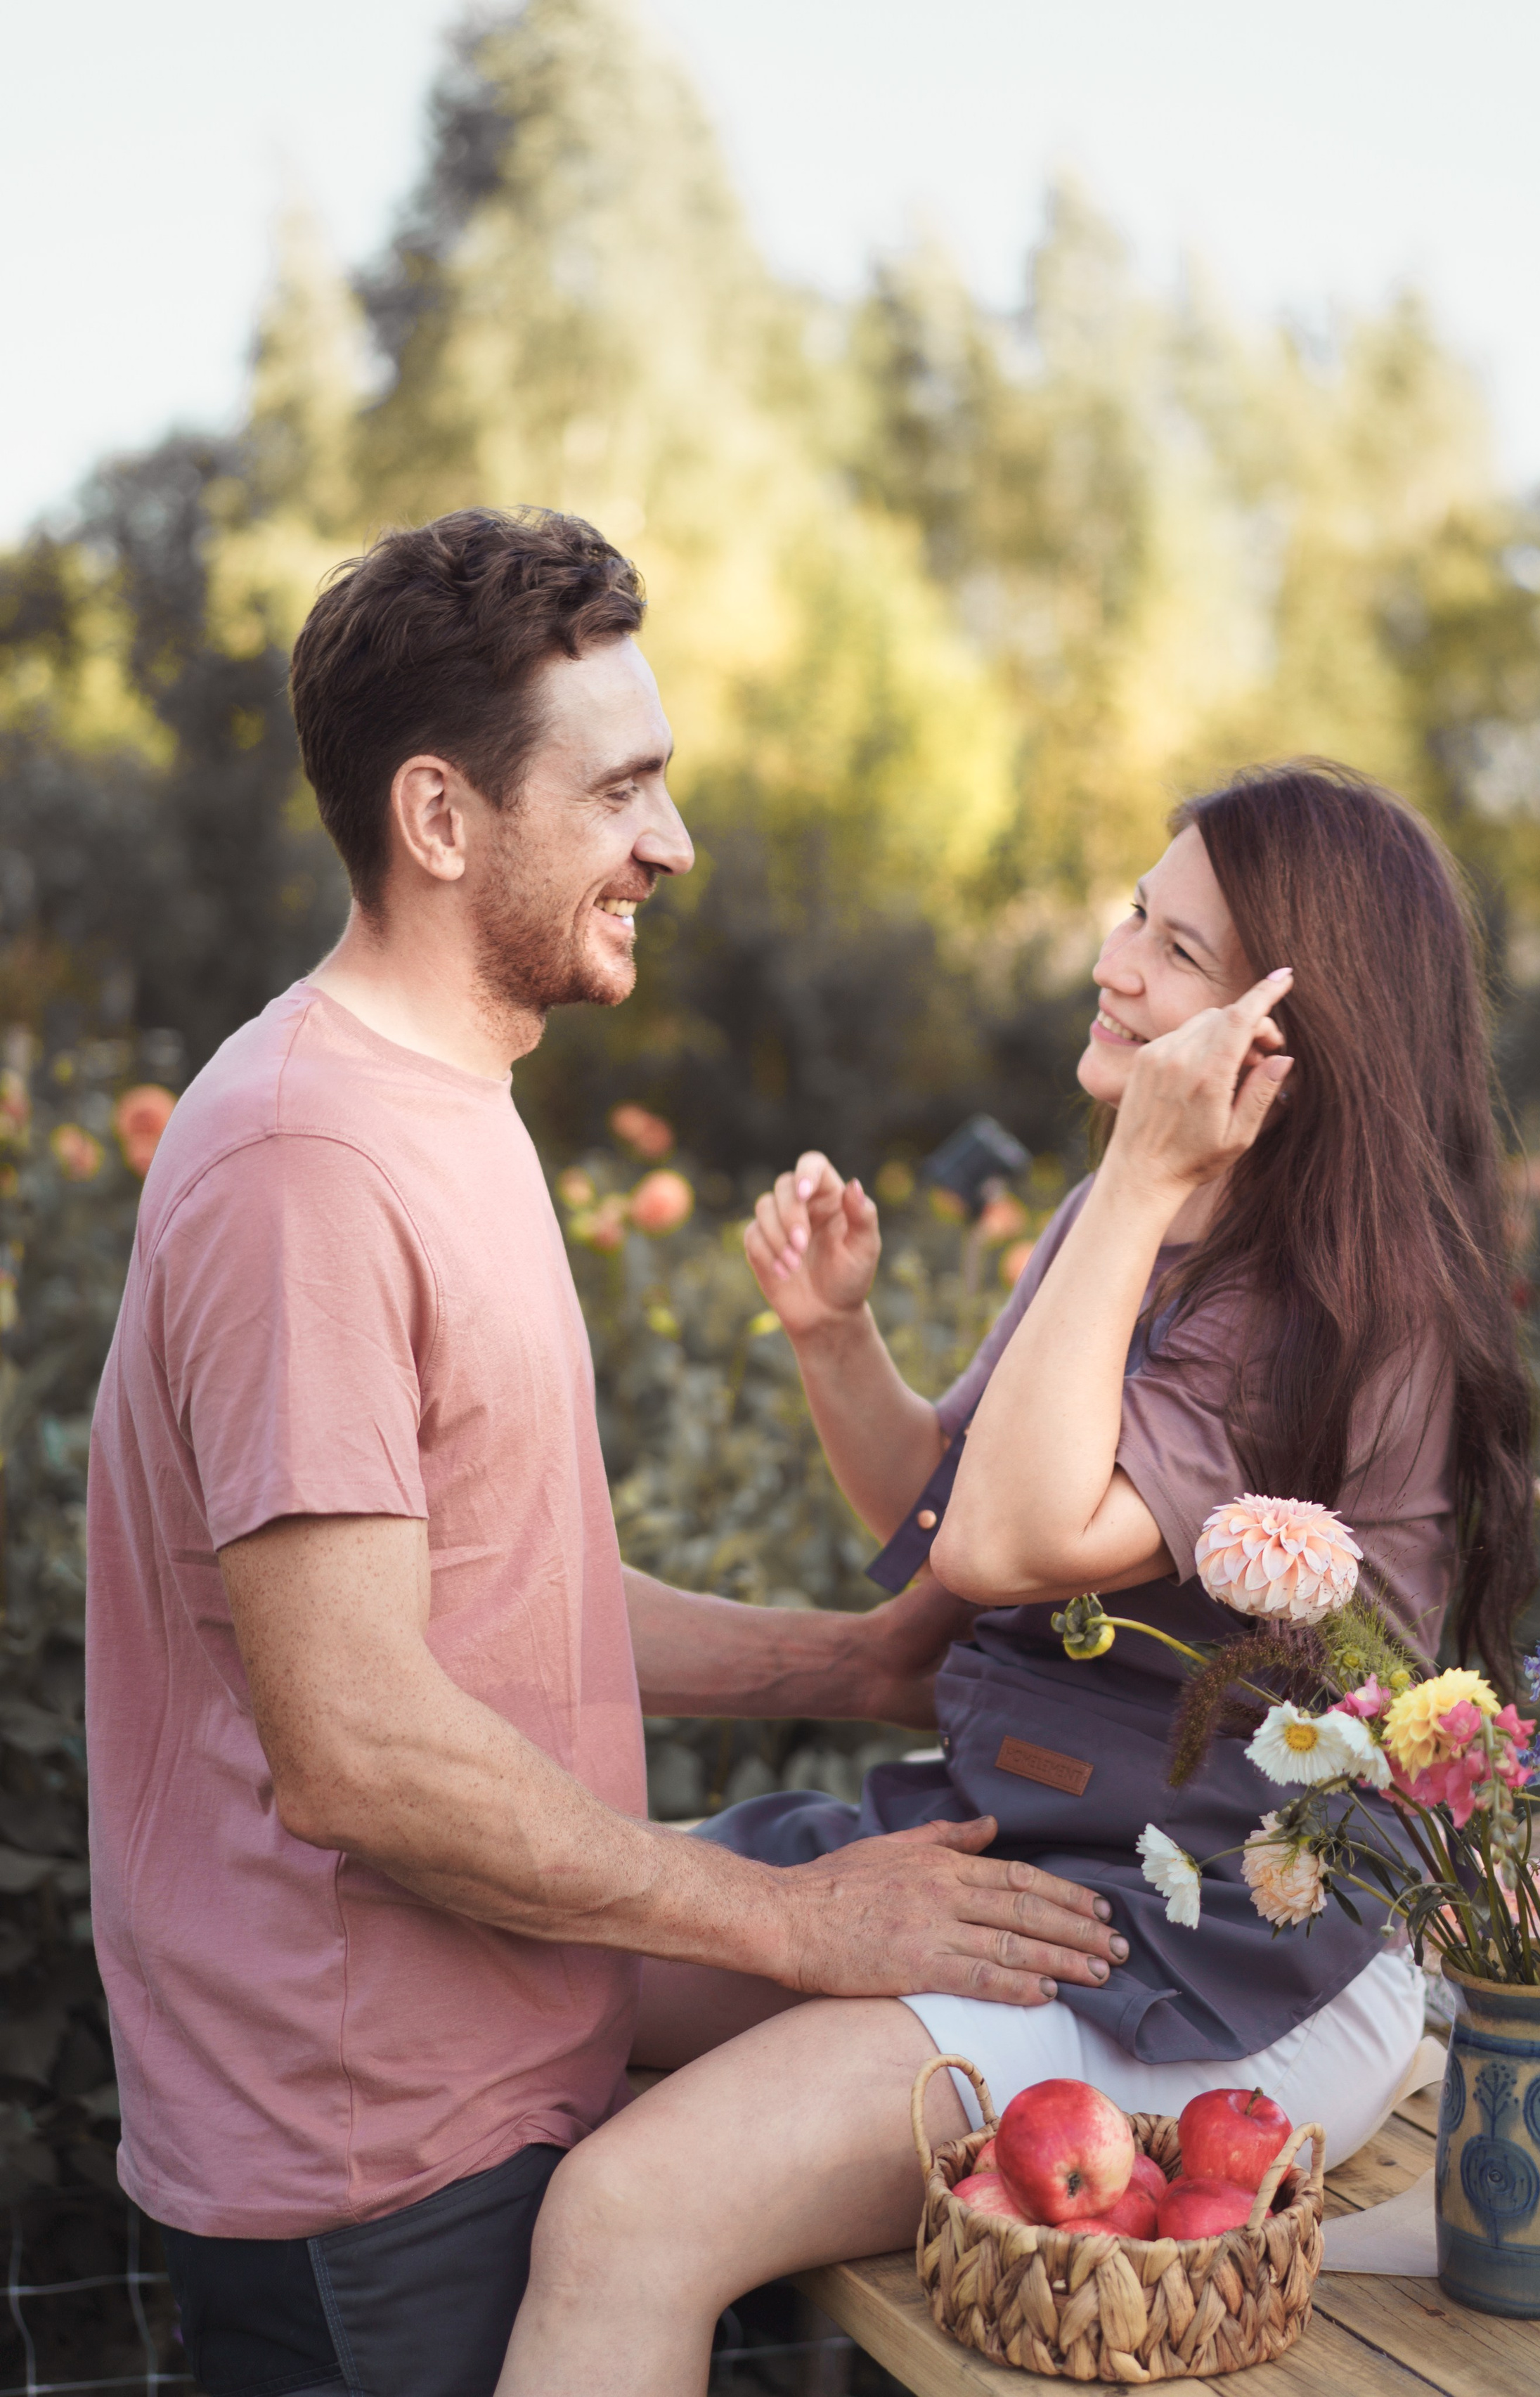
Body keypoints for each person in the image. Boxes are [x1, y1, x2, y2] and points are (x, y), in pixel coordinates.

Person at [83, 508, 1124, 2397]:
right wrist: (798, 1921)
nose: (675, 842)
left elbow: (495, 1590)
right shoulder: (307, 1164)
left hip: (485, 2078)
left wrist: (849, 1662)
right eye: (623, 788)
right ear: (437, 820)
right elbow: (359, 1745)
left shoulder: (450, 1103)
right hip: (365, 2160)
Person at [496, 762, 1538, 2396]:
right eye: (1135, 911)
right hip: (1030, 1851)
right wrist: (839, 1341)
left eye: (1177, 951)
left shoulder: (1333, 1316)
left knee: (630, 2209)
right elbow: (949, 1514)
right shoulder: (1120, 1221)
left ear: (1289, 1035)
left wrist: (1134, 1176)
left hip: (1213, 1961)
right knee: (518, 1971)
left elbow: (1010, 1545)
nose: (1115, 960)